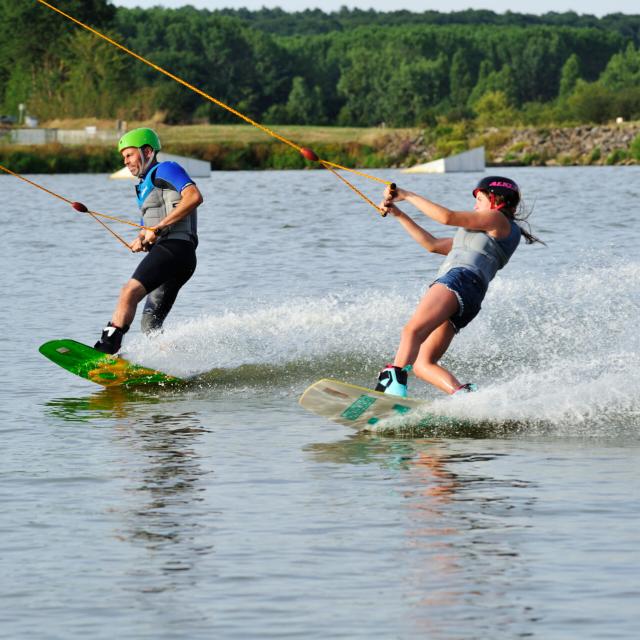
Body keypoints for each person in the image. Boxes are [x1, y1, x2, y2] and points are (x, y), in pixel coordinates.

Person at [375, 176, 543, 397]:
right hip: (471, 296)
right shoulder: (486, 235)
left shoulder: (497, 219)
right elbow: (432, 245)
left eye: (480, 199)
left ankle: (392, 385)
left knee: (411, 331)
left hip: (458, 280)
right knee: (423, 363)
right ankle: (463, 396)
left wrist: (407, 195)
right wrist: (399, 214)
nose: (475, 206)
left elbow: (447, 217)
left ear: (495, 200)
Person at [94, 127, 203, 354]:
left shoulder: (166, 169)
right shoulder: (145, 187)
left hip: (175, 248)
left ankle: (106, 348)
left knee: (128, 292)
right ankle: (177, 362)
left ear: (148, 151)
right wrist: (142, 238)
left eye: (130, 154)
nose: (126, 161)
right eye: (123, 157)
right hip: (179, 256)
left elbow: (194, 196)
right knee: (150, 326)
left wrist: (158, 228)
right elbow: (153, 224)